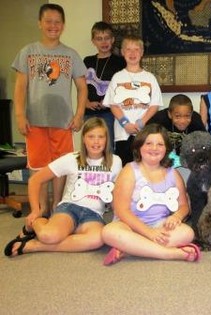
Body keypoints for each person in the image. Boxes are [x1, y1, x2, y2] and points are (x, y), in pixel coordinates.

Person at [4, 117, 122, 257]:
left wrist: (118, 218)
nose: (96, 141)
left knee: (97, 240)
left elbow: (116, 193)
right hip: (69, 208)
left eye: (100, 137)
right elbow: (35, 180)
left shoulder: (115, 161)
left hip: (94, 214)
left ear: (106, 140)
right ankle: (36, 223)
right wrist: (36, 211)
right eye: (91, 136)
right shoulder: (72, 158)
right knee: (49, 236)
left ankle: (34, 246)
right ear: (83, 139)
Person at [11, 3, 88, 216]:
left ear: (63, 25)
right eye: (48, 21)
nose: (53, 26)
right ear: (40, 23)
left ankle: (58, 208)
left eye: (57, 22)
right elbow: (20, 88)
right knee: (38, 167)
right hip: (34, 122)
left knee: (61, 168)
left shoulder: (70, 54)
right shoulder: (28, 52)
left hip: (63, 122)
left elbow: (82, 88)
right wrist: (19, 115)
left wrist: (79, 114)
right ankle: (40, 209)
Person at [101, 123, 201, 266]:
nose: (154, 148)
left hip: (159, 225)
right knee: (108, 232)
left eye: (160, 144)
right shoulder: (129, 170)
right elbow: (121, 210)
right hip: (128, 225)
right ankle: (171, 254)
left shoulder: (173, 174)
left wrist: (177, 216)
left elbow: (184, 206)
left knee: (187, 233)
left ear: (166, 149)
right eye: (149, 143)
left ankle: (131, 248)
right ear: (139, 146)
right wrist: (148, 233)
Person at [102, 34, 163, 166]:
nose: (132, 53)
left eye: (136, 49)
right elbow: (113, 105)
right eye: (128, 49)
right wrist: (125, 124)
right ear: (123, 52)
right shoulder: (117, 77)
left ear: (141, 53)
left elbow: (154, 105)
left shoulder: (150, 77)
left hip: (144, 133)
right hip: (123, 133)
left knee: (144, 165)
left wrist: (141, 122)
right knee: (125, 166)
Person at [84, 21, 126, 151]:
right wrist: (85, 102)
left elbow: (122, 88)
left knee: (107, 146)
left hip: (109, 112)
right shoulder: (87, 61)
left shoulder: (120, 61)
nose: (104, 42)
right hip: (89, 112)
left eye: (107, 38)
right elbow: (81, 85)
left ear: (112, 39)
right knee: (89, 146)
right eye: (99, 39)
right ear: (93, 41)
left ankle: (108, 170)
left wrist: (108, 101)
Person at [147, 94, 206, 168]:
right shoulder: (159, 119)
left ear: (191, 114)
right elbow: (146, 140)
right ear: (169, 114)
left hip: (188, 162)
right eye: (177, 116)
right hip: (161, 161)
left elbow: (205, 144)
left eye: (187, 116)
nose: (182, 121)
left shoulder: (196, 120)